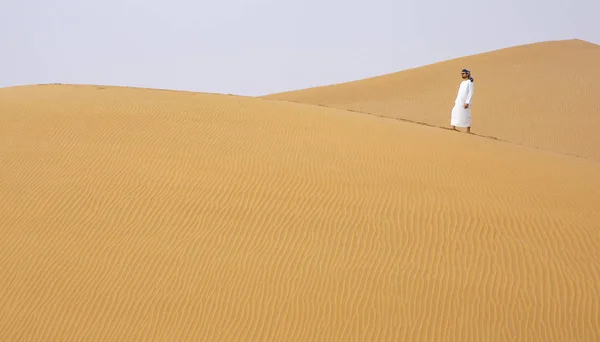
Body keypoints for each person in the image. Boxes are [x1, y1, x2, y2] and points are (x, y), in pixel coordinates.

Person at [450, 69, 474, 133]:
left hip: (465, 102)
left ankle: (468, 129)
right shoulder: (462, 82)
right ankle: (453, 126)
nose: (462, 75)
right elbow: (459, 92)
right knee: (455, 111)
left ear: (467, 74)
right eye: (462, 73)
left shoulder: (470, 82)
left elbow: (470, 93)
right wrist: (456, 100)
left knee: (467, 114)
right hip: (459, 100)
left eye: (463, 73)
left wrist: (467, 102)